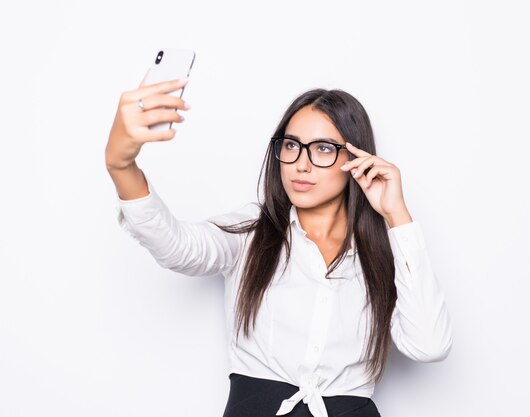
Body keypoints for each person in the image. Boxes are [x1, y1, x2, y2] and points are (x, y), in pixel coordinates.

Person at [105, 74, 453, 417]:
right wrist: (122, 165)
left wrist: (397, 216)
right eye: (291, 145)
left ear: (355, 159)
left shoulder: (385, 250)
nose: (301, 164)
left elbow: (429, 345)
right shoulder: (252, 232)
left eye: (323, 149)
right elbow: (177, 246)